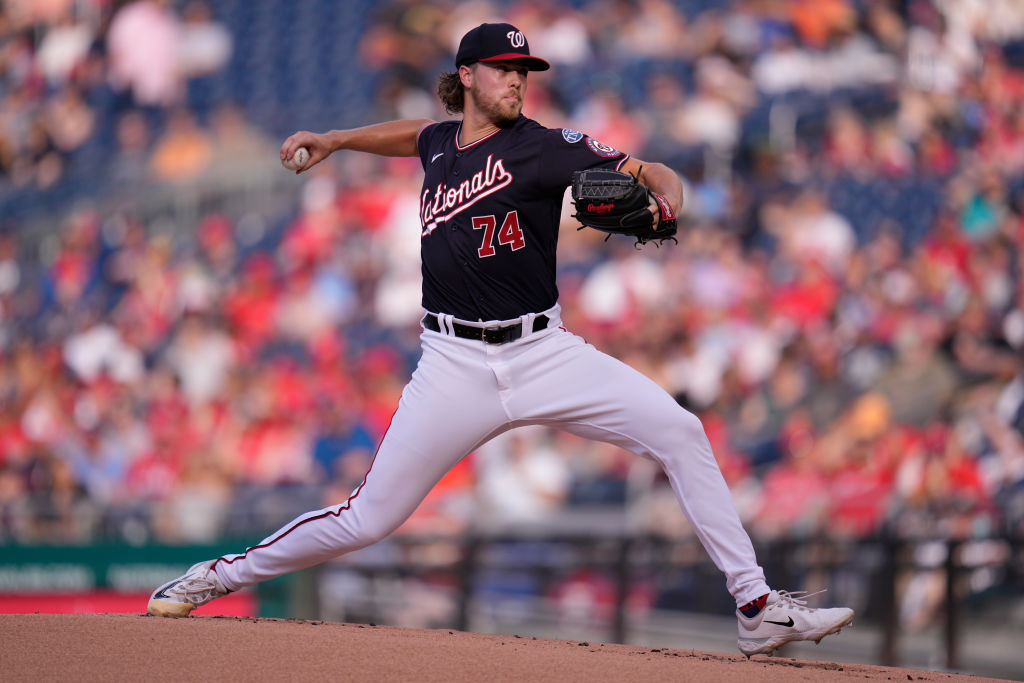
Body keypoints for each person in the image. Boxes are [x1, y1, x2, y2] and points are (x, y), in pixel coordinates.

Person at [148, 22, 854, 657]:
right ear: (467, 80)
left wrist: (671, 197)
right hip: (453, 362)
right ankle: (219, 575)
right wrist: (335, 140)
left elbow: (645, 170)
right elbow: (414, 134)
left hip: (544, 351)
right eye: (502, 68)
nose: (517, 78)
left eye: (524, 69)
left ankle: (756, 606)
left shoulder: (544, 149)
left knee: (680, 429)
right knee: (369, 517)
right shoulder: (437, 144)